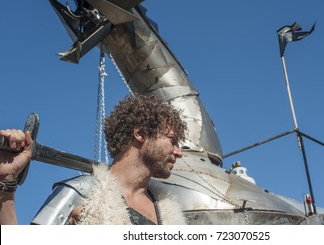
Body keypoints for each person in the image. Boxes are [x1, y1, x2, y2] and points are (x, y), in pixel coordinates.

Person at [0, 94, 188, 225]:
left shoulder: (170, 215)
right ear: (140, 133)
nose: (179, 152)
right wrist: (7, 184)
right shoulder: (80, 192)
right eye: (172, 141)